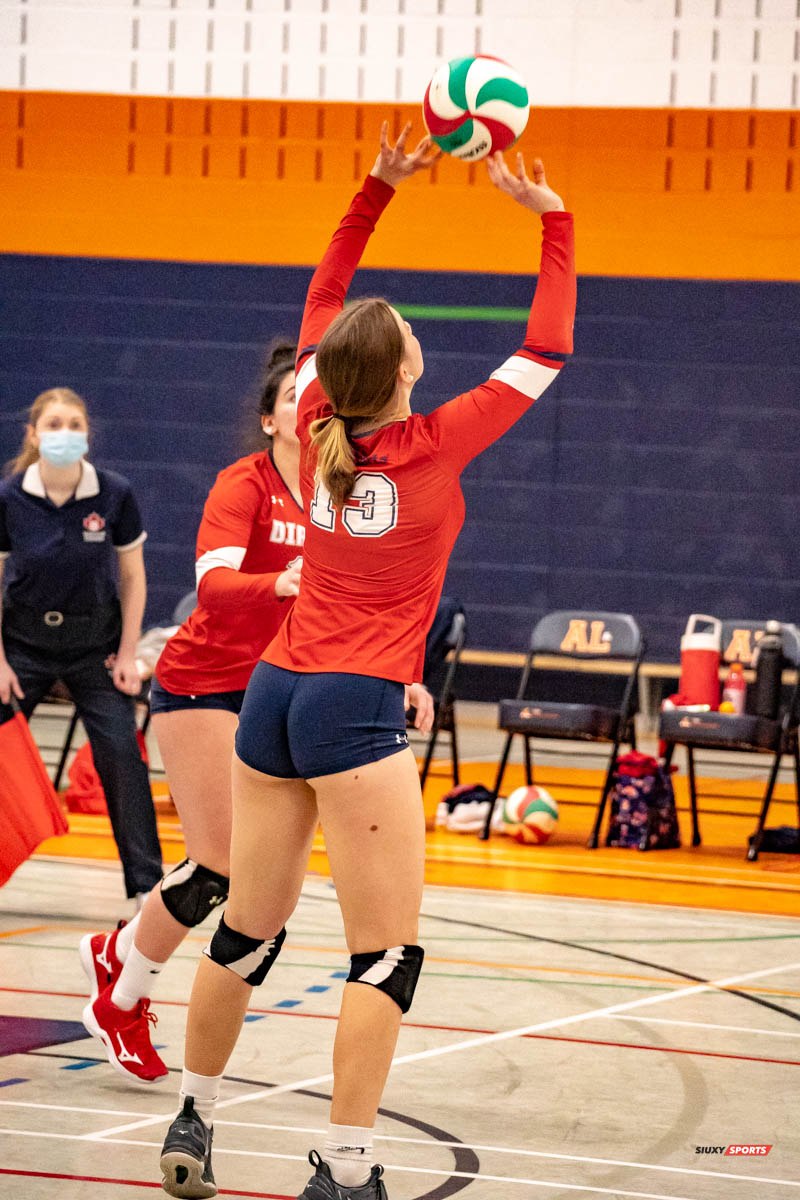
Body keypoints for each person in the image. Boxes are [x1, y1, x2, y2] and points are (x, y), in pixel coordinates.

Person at [159, 124, 575, 1200]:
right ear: (405, 369)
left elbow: (320, 293)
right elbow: (549, 342)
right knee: (383, 954)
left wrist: (374, 188)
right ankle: (345, 1169)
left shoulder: (307, 415)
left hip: (273, 694)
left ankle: (193, 1121)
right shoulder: (440, 438)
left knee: (248, 927)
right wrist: (551, 220)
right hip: (350, 705)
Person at [77, 342, 436, 1083]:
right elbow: (211, 589)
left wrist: (406, 674)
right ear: (276, 418)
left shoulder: (352, 485)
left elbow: (390, 593)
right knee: (221, 867)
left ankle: (120, 954)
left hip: (285, 690)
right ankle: (122, 996)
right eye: (293, 400)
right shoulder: (244, 485)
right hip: (203, 682)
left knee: (240, 877)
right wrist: (279, 587)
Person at [0, 387, 163, 902]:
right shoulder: (9, 497)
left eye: (74, 425)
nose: (64, 434)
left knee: (121, 752)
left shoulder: (114, 493)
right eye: (53, 424)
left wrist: (131, 653)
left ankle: (146, 890)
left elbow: (133, 577)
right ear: (33, 434)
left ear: (87, 435)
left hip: (96, 645)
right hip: (21, 642)